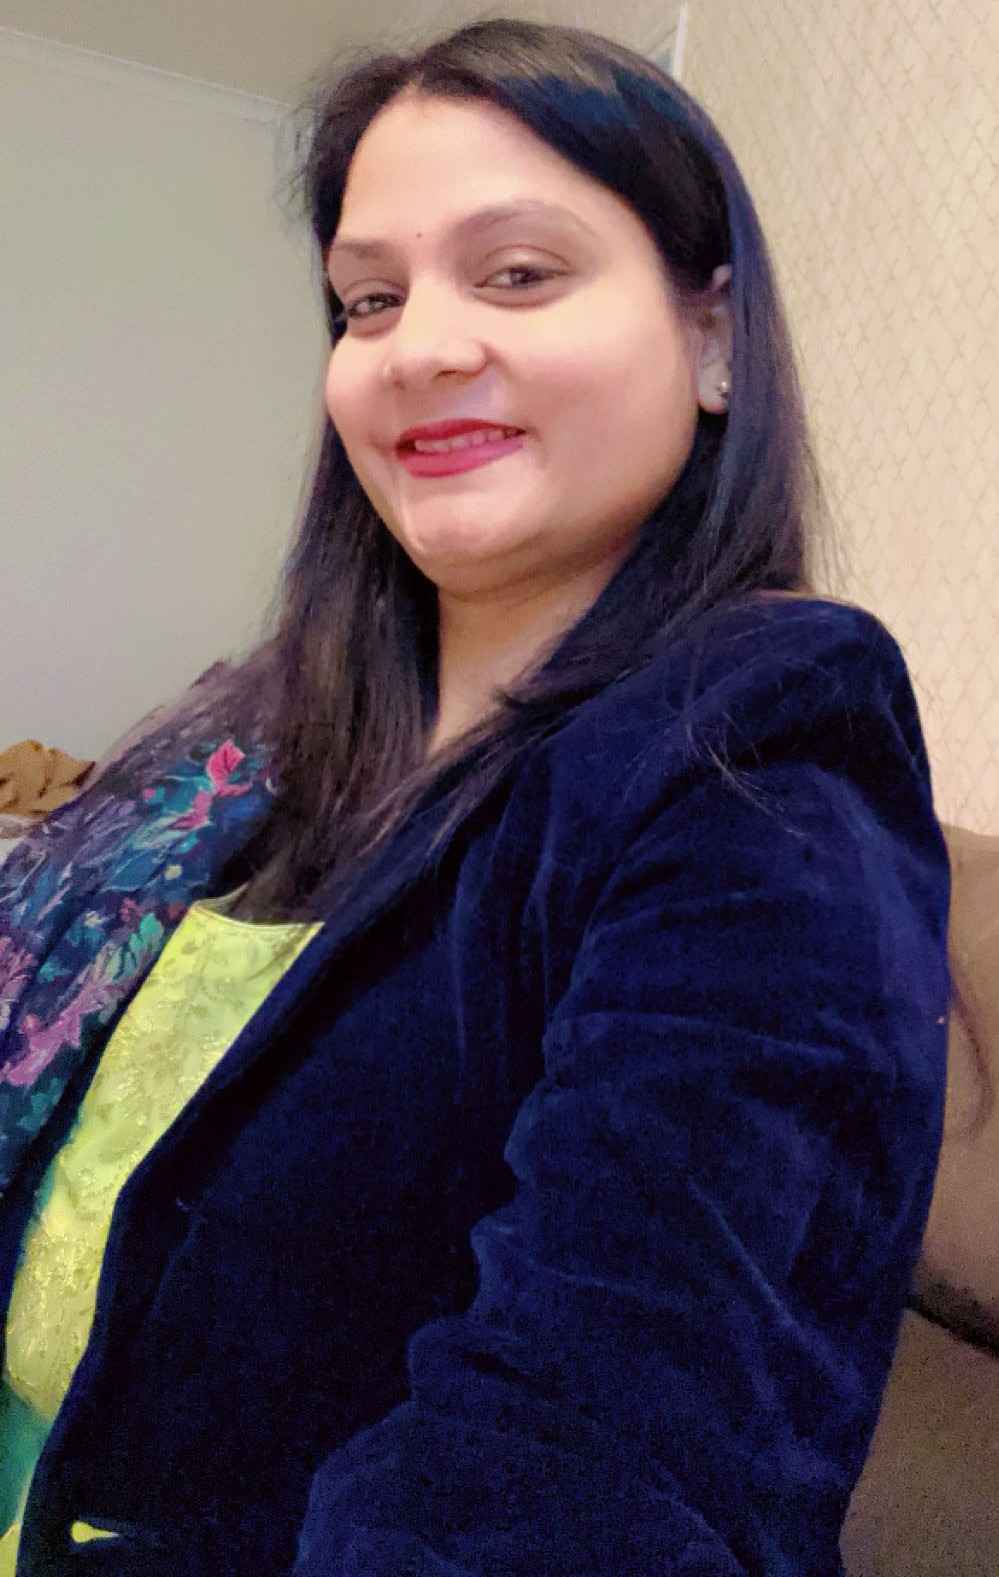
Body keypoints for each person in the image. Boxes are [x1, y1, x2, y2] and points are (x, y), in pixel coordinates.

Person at [0, 18, 951, 1576]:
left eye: (517, 273)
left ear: (716, 337)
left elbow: (594, 1456)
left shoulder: (765, 754)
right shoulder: (257, 736)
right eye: (369, 298)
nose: (418, 347)